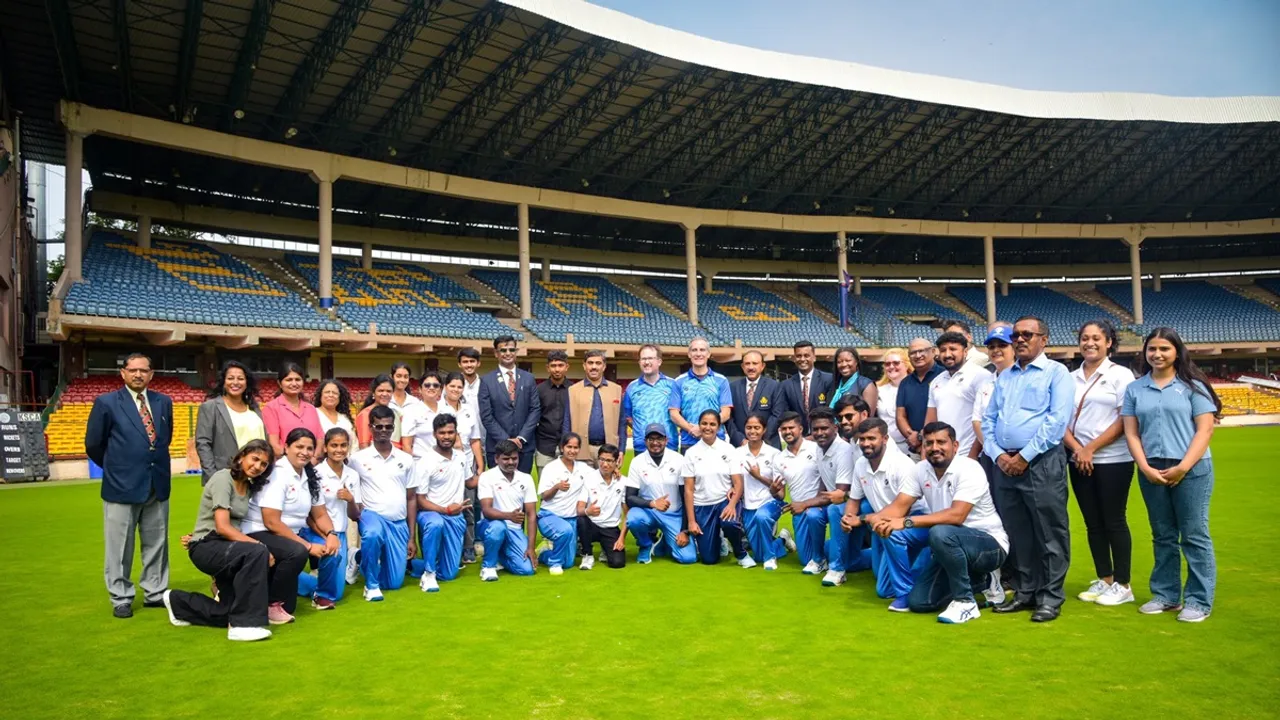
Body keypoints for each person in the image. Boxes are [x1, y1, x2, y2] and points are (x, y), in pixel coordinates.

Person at [1122, 327, 1221, 623]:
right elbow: (1132, 432)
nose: (1157, 354)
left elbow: (1205, 430)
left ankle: (1199, 600)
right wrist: (1145, 467)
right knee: (1163, 535)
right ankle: (1165, 595)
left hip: (1191, 468)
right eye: (1152, 349)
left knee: (1194, 534)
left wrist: (1183, 467)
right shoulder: (1135, 388)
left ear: (1177, 351)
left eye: (1164, 348)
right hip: (1152, 468)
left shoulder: (1193, 386)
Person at [866, 422, 1009, 624]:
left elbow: (956, 516)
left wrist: (905, 521)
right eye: (929, 443)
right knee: (919, 603)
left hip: (989, 546)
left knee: (940, 532)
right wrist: (876, 519)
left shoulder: (969, 468)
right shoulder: (920, 470)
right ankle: (983, 581)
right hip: (949, 545)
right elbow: (898, 507)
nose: (934, 448)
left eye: (941, 442)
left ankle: (965, 601)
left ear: (955, 445)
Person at [982, 315, 1074, 623]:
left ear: (1043, 339)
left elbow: (1056, 422)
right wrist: (997, 455)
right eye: (1016, 335)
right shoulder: (1006, 376)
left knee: (1049, 532)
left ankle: (1049, 597)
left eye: (1027, 334)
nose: (1019, 340)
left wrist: (1024, 455)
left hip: (1041, 463)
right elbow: (989, 420)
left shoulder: (1056, 373)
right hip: (1005, 465)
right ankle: (1025, 591)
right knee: (1017, 532)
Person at [85, 352, 174, 619]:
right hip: (120, 486)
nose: (138, 375)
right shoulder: (107, 403)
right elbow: (93, 444)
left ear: (151, 374)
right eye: (132, 370)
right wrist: (116, 468)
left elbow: (163, 440)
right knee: (119, 546)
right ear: (122, 373)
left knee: (157, 542)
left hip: (156, 483)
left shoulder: (163, 402)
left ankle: (155, 592)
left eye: (143, 370)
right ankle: (121, 597)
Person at [162, 439, 276, 641]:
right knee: (257, 552)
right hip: (207, 545)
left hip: (226, 547)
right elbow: (222, 526)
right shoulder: (223, 478)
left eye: (263, 464)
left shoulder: (248, 487)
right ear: (241, 457)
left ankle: (178, 602)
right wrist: (260, 546)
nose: (257, 466)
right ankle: (244, 625)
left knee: (226, 612)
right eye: (255, 459)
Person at [1065, 320, 1138, 607]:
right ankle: (1104, 578)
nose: (1090, 343)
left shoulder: (1121, 375)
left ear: (1109, 342)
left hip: (1113, 459)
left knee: (1114, 520)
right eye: (1085, 338)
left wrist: (1091, 448)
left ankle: (1123, 583)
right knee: (1092, 522)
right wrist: (1078, 449)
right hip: (1078, 457)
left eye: (1097, 338)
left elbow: (1124, 419)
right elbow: (1061, 419)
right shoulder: (1070, 378)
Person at [241, 428, 338, 624]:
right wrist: (307, 545)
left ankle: (312, 591)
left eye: (309, 448)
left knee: (291, 605)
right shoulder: (277, 474)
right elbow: (271, 521)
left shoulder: (309, 475)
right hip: (260, 531)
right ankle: (270, 604)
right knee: (297, 551)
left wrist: (331, 534)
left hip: (286, 535)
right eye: (299, 446)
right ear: (286, 447)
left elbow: (319, 513)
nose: (305, 452)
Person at [839, 418, 930, 612]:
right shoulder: (861, 464)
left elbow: (900, 510)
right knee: (883, 589)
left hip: (915, 522)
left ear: (885, 439)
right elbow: (854, 500)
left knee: (892, 531)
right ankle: (923, 571)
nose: (866, 443)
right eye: (862, 439)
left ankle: (907, 592)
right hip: (882, 524)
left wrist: (861, 519)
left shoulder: (902, 464)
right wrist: (847, 518)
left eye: (871, 438)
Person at [350, 405, 416, 601]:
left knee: (393, 583)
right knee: (372, 534)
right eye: (379, 427)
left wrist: (411, 537)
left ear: (393, 428)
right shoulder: (357, 459)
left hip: (397, 522)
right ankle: (370, 586)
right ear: (370, 428)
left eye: (388, 427)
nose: (383, 431)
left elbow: (411, 498)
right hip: (372, 516)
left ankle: (358, 557)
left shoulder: (406, 459)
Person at [296, 428, 361, 609]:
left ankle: (316, 584)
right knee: (330, 564)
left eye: (343, 445)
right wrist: (326, 535)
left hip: (340, 533)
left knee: (338, 593)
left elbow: (355, 515)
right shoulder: (316, 474)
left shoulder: (352, 475)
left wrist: (351, 500)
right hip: (317, 530)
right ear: (325, 447)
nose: (338, 450)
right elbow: (309, 514)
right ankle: (317, 592)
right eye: (334, 445)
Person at [412, 414, 477, 592]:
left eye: (450, 432)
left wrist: (496, 474)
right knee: (435, 524)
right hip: (431, 513)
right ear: (434, 434)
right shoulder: (426, 462)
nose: (446, 436)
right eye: (442, 433)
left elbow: (470, 481)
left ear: (457, 433)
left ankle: (411, 565)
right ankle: (429, 573)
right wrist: (445, 510)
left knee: (449, 573)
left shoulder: (461, 457)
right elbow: (420, 500)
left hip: (455, 516)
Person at [810, 406, 871, 586]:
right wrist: (814, 502)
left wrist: (805, 503)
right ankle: (820, 559)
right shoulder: (821, 448)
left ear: (834, 428)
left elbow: (839, 493)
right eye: (815, 429)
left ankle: (837, 569)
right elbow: (825, 481)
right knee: (814, 514)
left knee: (835, 509)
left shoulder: (844, 449)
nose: (820, 433)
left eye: (824, 428)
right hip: (849, 500)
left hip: (857, 502)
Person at [682, 410, 750, 566]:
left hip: (723, 502)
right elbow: (688, 490)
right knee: (709, 559)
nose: (708, 427)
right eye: (704, 423)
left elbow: (738, 484)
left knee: (730, 523)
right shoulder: (691, 453)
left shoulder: (728, 450)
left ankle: (741, 553)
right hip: (702, 506)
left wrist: (732, 505)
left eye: (712, 424)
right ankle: (718, 540)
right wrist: (691, 522)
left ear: (719, 427)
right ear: (699, 426)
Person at [625, 424, 696, 564]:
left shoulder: (678, 460)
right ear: (645, 441)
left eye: (659, 438)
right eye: (651, 439)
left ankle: (665, 541)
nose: (655, 443)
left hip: (674, 514)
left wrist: (685, 530)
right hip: (649, 512)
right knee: (633, 519)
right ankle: (645, 545)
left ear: (666, 440)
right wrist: (652, 503)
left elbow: (686, 496)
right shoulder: (637, 462)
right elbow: (630, 497)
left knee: (688, 558)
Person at [477, 440, 540, 581]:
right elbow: (487, 511)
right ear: (496, 459)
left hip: (515, 530)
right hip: (490, 525)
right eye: (506, 459)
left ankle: (499, 554)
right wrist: (509, 516)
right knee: (498, 527)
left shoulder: (526, 479)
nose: (511, 462)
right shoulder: (487, 477)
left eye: (514, 458)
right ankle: (488, 567)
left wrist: (531, 548)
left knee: (527, 570)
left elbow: (531, 515)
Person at [477, 335, 541, 473]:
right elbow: (486, 416)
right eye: (503, 350)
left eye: (511, 349)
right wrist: (507, 440)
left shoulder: (528, 378)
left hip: (524, 446)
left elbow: (535, 409)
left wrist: (521, 437)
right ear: (496, 353)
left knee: (522, 489)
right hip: (497, 447)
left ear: (516, 352)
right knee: (498, 491)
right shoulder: (486, 381)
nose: (508, 353)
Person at [773, 411, 827, 574]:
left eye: (791, 428)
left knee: (814, 516)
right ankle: (786, 538)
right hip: (798, 510)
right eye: (783, 429)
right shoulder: (779, 458)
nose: (787, 432)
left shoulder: (816, 448)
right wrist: (774, 491)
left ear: (801, 429)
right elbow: (781, 495)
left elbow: (826, 477)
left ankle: (836, 553)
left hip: (820, 505)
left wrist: (816, 502)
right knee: (806, 559)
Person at [738, 413, 793, 571]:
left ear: (764, 430)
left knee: (762, 517)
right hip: (748, 505)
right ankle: (782, 539)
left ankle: (771, 558)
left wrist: (758, 476)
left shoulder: (774, 453)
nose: (752, 431)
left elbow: (779, 489)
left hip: (771, 502)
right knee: (758, 555)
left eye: (757, 428)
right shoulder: (738, 453)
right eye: (749, 427)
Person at [195, 359, 264, 486]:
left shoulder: (254, 408)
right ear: (223, 382)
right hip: (225, 477)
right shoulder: (210, 407)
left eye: (240, 378)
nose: (235, 382)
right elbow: (203, 444)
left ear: (247, 382)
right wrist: (214, 479)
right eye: (230, 378)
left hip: (256, 478)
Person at [925, 332, 992, 459]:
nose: (947, 354)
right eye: (943, 350)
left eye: (953, 349)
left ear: (965, 351)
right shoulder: (936, 382)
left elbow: (984, 421)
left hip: (972, 455)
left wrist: (972, 457)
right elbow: (930, 423)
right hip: (943, 456)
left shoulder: (981, 376)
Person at [536, 433, 593, 575]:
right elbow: (544, 496)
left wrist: (615, 470)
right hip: (549, 516)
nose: (572, 451)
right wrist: (556, 487)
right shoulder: (551, 468)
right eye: (569, 447)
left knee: (568, 563)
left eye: (575, 447)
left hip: (570, 518)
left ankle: (544, 553)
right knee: (565, 531)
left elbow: (600, 474)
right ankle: (554, 563)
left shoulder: (583, 468)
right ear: (562, 448)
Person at [669, 336, 733, 452]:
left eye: (702, 350)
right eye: (694, 350)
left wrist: (702, 428)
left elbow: (726, 413)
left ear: (708, 354)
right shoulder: (679, 381)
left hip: (717, 440)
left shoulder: (721, 380)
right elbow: (674, 413)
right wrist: (691, 429)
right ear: (689, 354)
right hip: (689, 441)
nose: (698, 354)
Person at [564, 350, 626, 466]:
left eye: (598, 363)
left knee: (607, 483)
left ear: (604, 366)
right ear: (584, 365)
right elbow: (567, 421)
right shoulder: (573, 390)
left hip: (609, 451)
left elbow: (621, 423)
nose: (594, 367)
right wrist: (566, 449)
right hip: (581, 451)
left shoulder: (616, 390)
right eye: (590, 363)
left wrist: (621, 449)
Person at [577, 444, 628, 569]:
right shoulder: (589, 478)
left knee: (617, 563)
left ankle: (606, 549)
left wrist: (621, 539)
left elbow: (627, 513)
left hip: (610, 528)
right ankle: (587, 554)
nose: (605, 464)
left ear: (616, 462)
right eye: (602, 459)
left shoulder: (623, 481)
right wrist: (588, 511)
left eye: (609, 461)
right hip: (592, 526)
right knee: (581, 519)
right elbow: (579, 509)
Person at [457, 347, 486, 563]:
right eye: (465, 362)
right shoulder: (454, 385)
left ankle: (478, 538)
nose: (469, 365)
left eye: (472, 361)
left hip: (483, 443)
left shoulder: (485, 385)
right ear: (460, 364)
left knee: (479, 496)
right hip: (462, 448)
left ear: (478, 364)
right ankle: (464, 541)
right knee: (464, 496)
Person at [622, 344, 678, 453]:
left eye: (650, 358)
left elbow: (679, 414)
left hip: (669, 446)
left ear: (659, 361)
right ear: (639, 362)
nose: (646, 362)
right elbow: (628, 417)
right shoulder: (632, 387)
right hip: (641, 447)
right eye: (643, 359)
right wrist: (643, 430)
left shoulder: (672, 385)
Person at [261, 362, 323, 458]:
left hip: (312, 464)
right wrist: (296, 462)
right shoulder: (271, 408)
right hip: (285, 465)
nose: (294, 383)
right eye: (289, 380)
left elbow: (320, 439)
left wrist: (313, 460)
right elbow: (274, 445)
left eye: (298, 379)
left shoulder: (311, 408)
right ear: (280, 383)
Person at [896, 338, 943, 459]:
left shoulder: (944, 376)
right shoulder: (905, 383)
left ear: (933, 351)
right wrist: (912, 436)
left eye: (922, 351)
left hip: (940, 446)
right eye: (913, 353)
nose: (917, 356)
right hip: (915, 448)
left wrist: (923, 437)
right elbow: (900, 415)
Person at [728, 350, 782, 448]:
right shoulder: (732, 387)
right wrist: (740, 440)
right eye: (747, 364)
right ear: (743, 367)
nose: (751, 367)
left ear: (762, 366)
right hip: (740, 446)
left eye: (755, 363)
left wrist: (759, 438)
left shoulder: (775, 386)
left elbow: (777, 415)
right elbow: (729, 418)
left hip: (768, 444)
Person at [779, 340, 832, 435]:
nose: (802, 359)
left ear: (814, 357)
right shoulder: (786, 385)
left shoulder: (828, 380)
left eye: (806, 355)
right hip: (799, 438)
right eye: (799, 356)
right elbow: (786, 414)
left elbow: (830, 410)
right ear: (794, 358)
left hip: (823, 435)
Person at [440, 372, 484, 476]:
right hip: (444, 466)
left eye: (459, 387)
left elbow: (475, 440)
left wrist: (480, 467)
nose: (456, 389)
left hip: (468, 464)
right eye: (452, 386)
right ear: (445, 387)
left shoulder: (469, 410)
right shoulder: (438, 409)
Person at [535, 351, 572, 474]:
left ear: (567, 367)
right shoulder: (539, 390)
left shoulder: (574, 390)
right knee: (546, 490)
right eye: (553, 365)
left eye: (560, 365)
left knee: (568, 488)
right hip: (544, 447)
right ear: (547, 368)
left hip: (568, 447)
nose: (557, 369)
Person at [876, 348, 911, 454]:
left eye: (896, 363)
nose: (891, 367)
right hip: (886, 447)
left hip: (911, 446)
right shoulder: (878, 389)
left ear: (906, 365)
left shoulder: (917, 388)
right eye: (887, 364)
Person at [400, 370, 443, 456]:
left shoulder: (448, 410)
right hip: (421, 463)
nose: (431, 388)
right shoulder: (411, 411)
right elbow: (406, 445)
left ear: (440, 390)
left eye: (436, 385)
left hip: (445, 463)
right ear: (420, 389)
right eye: (427, 385)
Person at [355, 374, 402, 449]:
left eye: (388, 391)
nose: (385, 394)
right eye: (381, 391)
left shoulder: (396, 413)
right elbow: (364, 445)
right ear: (373, 393)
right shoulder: (365, 414)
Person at [829, 346, 878, 416]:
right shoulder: (834, 385)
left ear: (856, 362)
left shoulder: (866, 385)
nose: (844, 364)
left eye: (848, 360)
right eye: (839, 362)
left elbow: (868, 417)